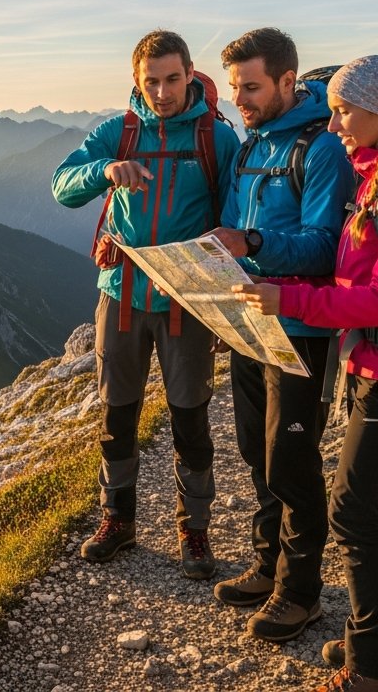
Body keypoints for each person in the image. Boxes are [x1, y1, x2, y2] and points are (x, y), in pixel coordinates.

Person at [234, 54, 378, 692]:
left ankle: (372, 670)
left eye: (343, 110)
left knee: (354, 513)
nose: (333, 123)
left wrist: (291, 299)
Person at [53, 30, 240, 577]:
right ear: (136, 81)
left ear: (190, 75)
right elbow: (63, 185)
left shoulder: (215, 138)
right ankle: (118, 520)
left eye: (172, 79)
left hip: (187, 300)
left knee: (190, 417)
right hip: (122, 295)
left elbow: (234, 215)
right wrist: (105, 170)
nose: (162, 92)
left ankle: (194, 530)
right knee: (117, 415)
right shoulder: (119, 132)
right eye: (151, 81)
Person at [205, 28, 354, 643]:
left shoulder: (322, 148)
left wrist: (254, 243)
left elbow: (325, 247)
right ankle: (268, 567)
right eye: (235, 87)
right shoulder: (251, 145)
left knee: (291, 459)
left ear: (288, 81)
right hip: (248, 322)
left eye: (251, 87)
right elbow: (232, 228)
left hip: (298, 327)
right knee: (255, 450)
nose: (239, 99)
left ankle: (300, 592)